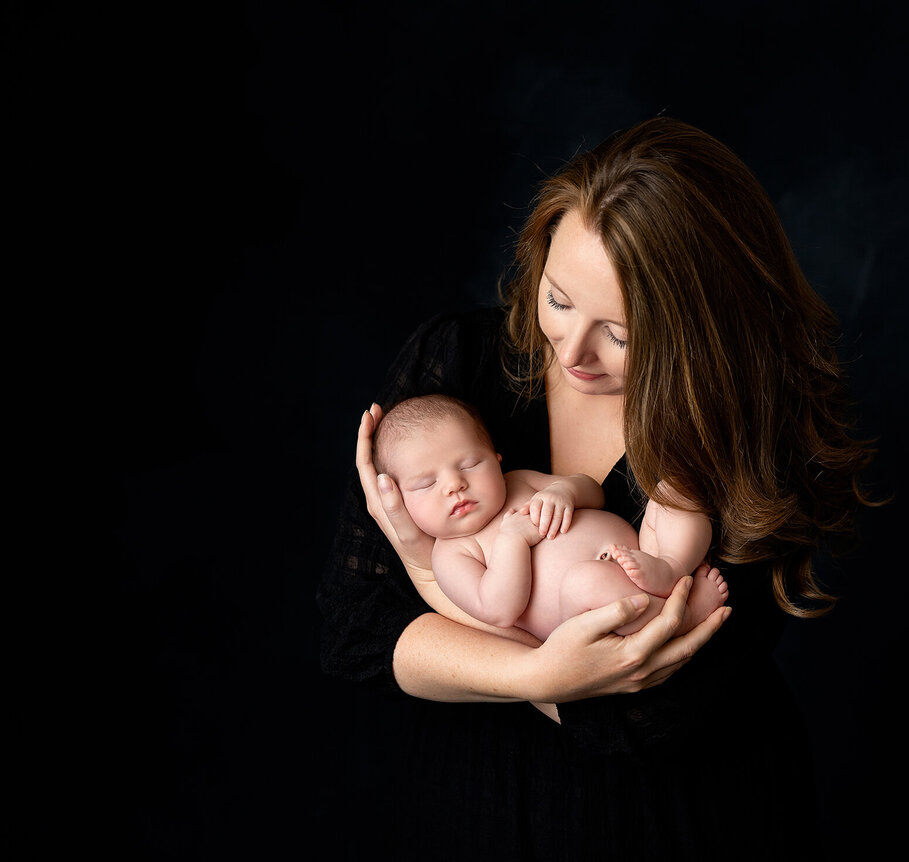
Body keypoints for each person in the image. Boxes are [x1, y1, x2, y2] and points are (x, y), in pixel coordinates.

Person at [318, 117, 877, 860]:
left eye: (620, 332)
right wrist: (537, 672)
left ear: (700, 329)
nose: (572, 350)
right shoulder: (456, 364)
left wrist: (425, 572)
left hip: (682, 819)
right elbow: (356, 631)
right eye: (557, 299)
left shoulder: (746, 435)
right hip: (471, 803)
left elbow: (643, 716)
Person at [372, 393, 728, 642]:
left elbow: (595, 492)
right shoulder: (450, 555)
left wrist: (566, 492)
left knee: (672, 492)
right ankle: (679, 618)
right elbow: (498, 610)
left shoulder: (519, 480)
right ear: (398, 502)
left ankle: (670, 567)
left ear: (496, 458)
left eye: (469, 463)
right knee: (584, 581)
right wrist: (512, 540)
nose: (454, 484)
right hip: (589, 614)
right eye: (426, 483)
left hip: (642, 552)